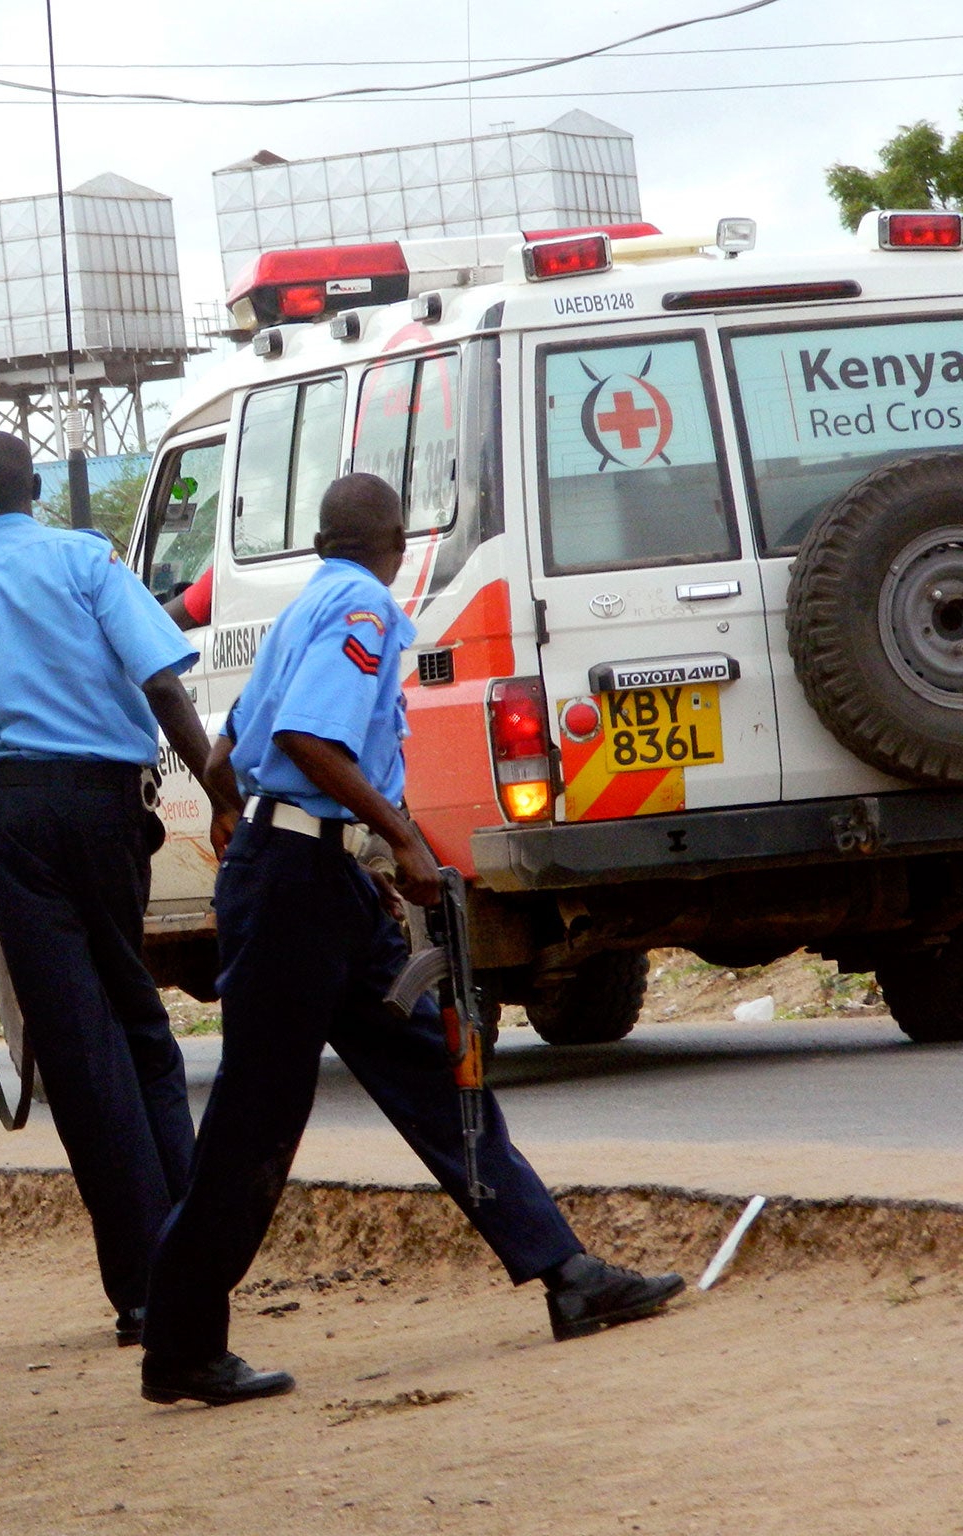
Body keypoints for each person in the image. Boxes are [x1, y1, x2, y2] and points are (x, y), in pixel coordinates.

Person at [139, 474, 684, 1407]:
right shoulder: (364, 605)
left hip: (310, 881)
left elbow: (231, 753)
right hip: (299, 889)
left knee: (438, 1074)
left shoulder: (304, 604)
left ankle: (567, 1274)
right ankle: (182, 1344)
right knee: (254, 1118)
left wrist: (265, 825)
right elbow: (314, 740)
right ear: (395, 540)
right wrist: (398, 838)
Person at [0, 430, 227, 1345]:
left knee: (80, 1057)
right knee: (138, 1021)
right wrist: (218, 790)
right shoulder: (86, 561)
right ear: (37, 487)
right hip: (106, 805)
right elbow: (163, 686)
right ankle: (197, 1261)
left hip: (14, 809)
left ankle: (139, 1289)